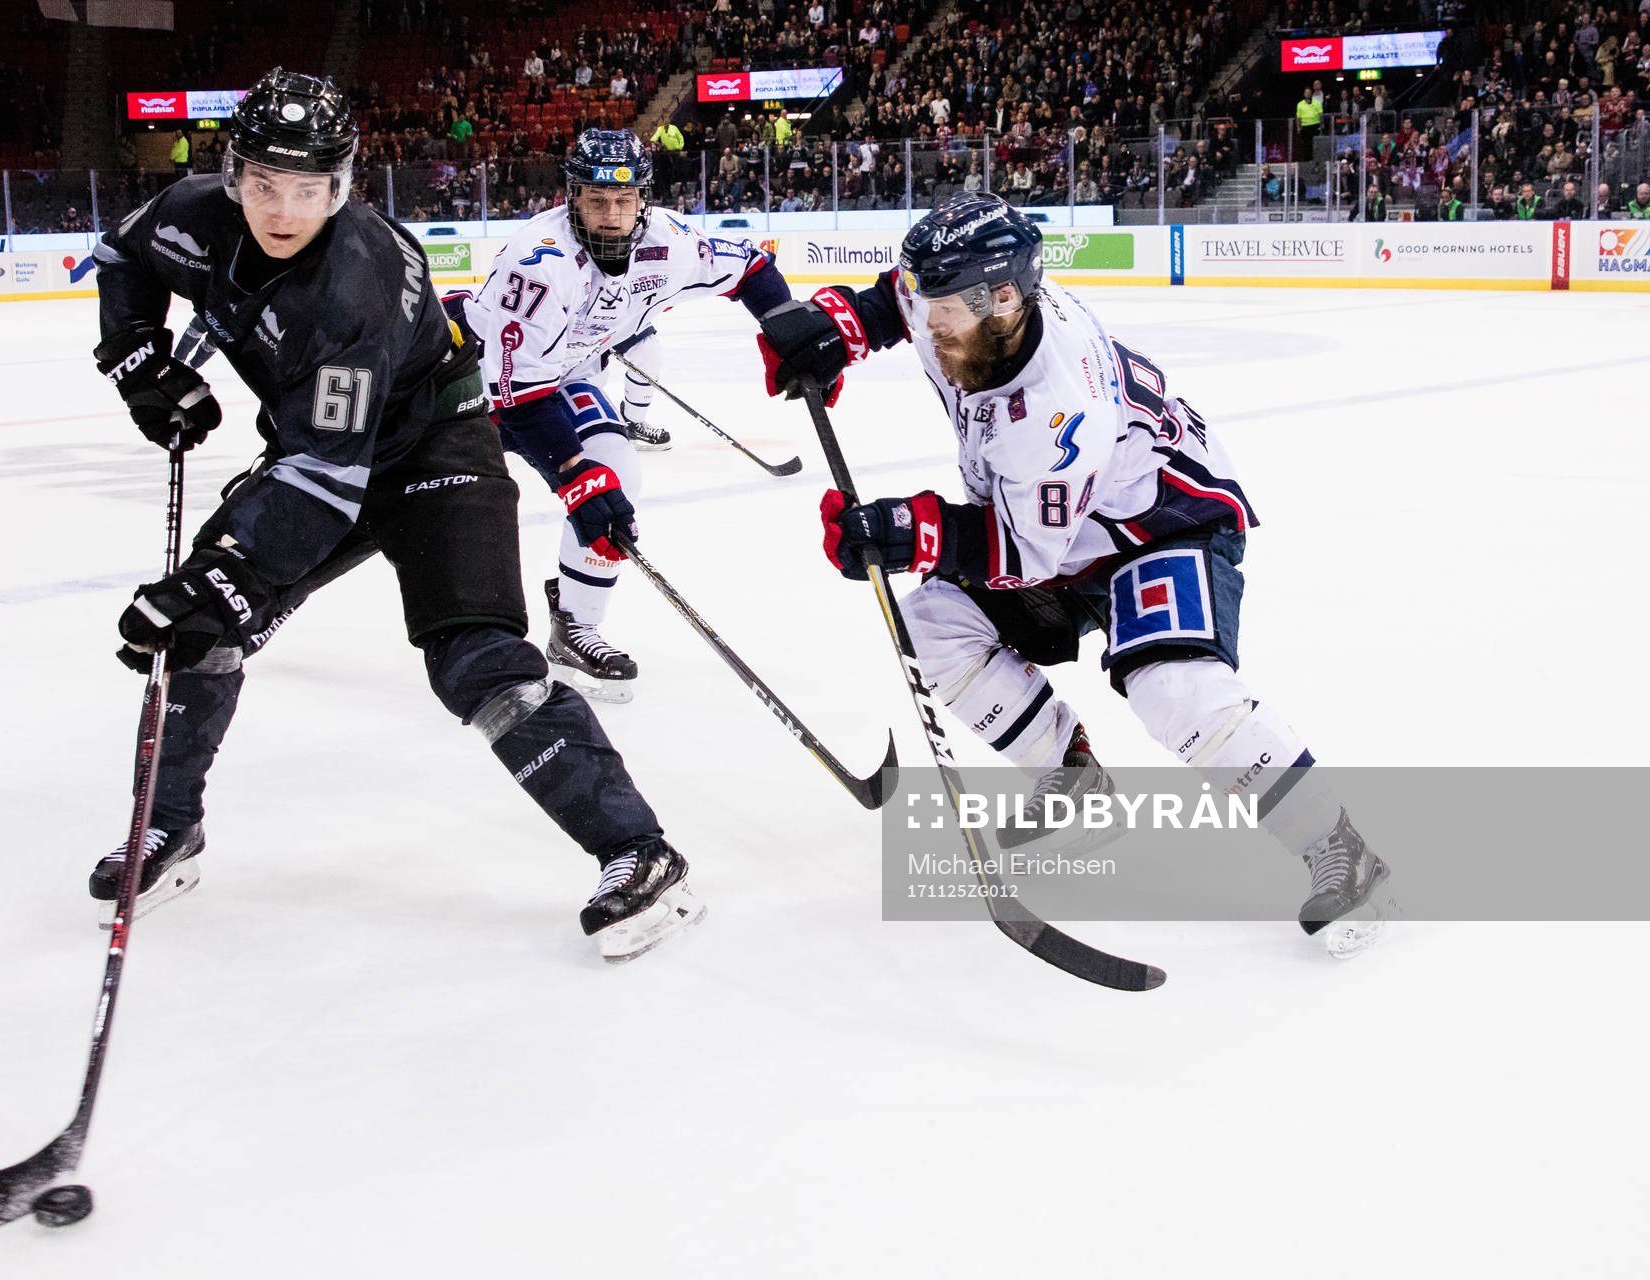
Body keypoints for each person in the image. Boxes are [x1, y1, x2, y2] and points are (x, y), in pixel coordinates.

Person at [86, 71, 702, 962]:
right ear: (233, 174)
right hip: (319, 455)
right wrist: (137, 357)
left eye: (309, 188)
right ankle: (169, 827)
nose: (283, 208)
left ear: (342, 186)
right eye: (264, 183)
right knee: (198, 626)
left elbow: (330, 483)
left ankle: (640, 854)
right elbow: (123, 260)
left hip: (432, 447)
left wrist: (224, 573)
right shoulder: (192, 213)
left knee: (477, 663)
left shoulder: (357, 283)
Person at [754, 193, 1392, 957]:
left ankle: (1341, 846)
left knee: (1175, 689)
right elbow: (899, 294)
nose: (929, 325)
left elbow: (1024, 558)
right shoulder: (971, 306)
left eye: (943, 310)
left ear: (1004, 301)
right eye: (930, 303)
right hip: (1060, 528)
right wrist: (840, 326)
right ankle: (1073, 781)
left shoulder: (1061, 412)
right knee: (933, 621)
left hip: (1157, 526)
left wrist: (911, 530)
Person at [446, 129, 794, 703]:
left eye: (624, 200)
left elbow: (749, 269)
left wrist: (787, 321)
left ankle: (575, 625)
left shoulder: (668, 241)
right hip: (476, 381)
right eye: (596, 201)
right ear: (571, 197)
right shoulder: (540, 262)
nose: (611, 216)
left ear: (643, 199)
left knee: (619, 474)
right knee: (399, 496)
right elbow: (516, 395)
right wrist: (575, 476)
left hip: (564, 378)